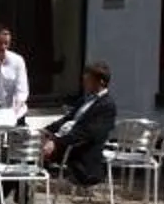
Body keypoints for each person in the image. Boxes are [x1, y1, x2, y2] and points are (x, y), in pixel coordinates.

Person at [42, 62, 117, 190]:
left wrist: (56, 142)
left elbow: (85, 134)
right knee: (21, 151)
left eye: (88, 80)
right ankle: (22, 194)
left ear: (101, 82)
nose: (84, 82)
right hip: (61, 141)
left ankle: (18, 195)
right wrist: (46, 130)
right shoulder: (84, 100)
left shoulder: (106, 106)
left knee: (30, 154)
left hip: (76, 151)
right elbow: (67, 119)